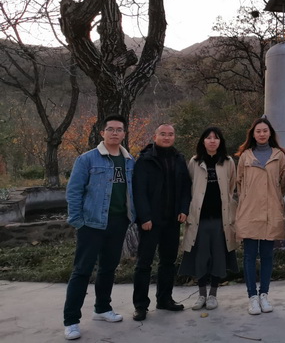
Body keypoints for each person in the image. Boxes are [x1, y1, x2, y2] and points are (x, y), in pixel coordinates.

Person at [63, 115, 136, 341]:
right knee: (82, 270)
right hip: (91, 223)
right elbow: (74, 191)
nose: (115, 133)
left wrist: (131, 218)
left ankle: (102, 308)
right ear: (102, 132)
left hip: (118, 222)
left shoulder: (129, 161)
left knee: (108, 268)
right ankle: (71, 321)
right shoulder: (87, 159)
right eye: (110, 129)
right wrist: (78, 221)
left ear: (124, 134)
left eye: (119, 129)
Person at [132, 124, 192, 321]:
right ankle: (140, 305)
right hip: (151, 221)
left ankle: (164, 299)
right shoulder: (145, 160)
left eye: (170, 134)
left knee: (168, 262)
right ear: (155, 136)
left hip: (172, 220)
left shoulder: (179, 158)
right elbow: (139, 191)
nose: (167, 137)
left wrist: (184, 209)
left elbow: (185, 187)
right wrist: (144, 217)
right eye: (163, 134)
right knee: (144, 263)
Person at [178, 127, 238, 311]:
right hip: (199, 219)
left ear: (220, 141)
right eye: (208, 137)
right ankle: (201, 294)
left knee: (218, 257)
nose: (212, 141)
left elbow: (232, 186)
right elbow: (189, 187)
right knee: (201, 257)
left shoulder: (228, 162)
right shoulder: (195, 162)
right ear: (203, 141)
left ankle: (213, 295)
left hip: (221, 219)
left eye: (216, 138)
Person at [234, 117, 285, 315]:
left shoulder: (279, 156)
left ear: (270, 133)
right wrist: (247, 200)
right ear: (253, 134)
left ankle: (264, 294)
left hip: (271, 211)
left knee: (267, 255)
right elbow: (239, 183)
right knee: (249, 255)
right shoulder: (245, 156)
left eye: (265, 130)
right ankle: (252, 296)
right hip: (250, 211)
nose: (262, 134)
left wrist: (274, 198)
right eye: (258, 131)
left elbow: (284, 183)